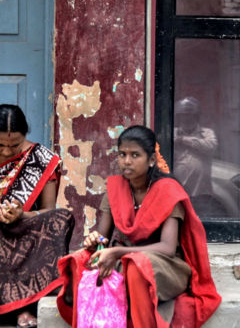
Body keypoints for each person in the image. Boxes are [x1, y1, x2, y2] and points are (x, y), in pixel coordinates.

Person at [56, 125, 221, 328]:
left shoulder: (169, 191)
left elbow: (167, 248)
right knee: (77, 260)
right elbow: (103, 235)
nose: (127, 161)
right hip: (124, 259)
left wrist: (117, 252)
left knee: (136, 266)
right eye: (122, 154)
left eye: (135, 155)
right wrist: (95, 240)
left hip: (165, 267)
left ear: (151, 160)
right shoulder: (115, 188)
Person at [0, 104, 75, 328]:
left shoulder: (41, 159)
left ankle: (26, 306)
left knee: (61, 218)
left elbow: (48, 210)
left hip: (23, 229)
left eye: (14, 146)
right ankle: (19, 308)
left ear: (25, 137)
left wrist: (22, 215)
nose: (6, 151)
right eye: (0, 145)